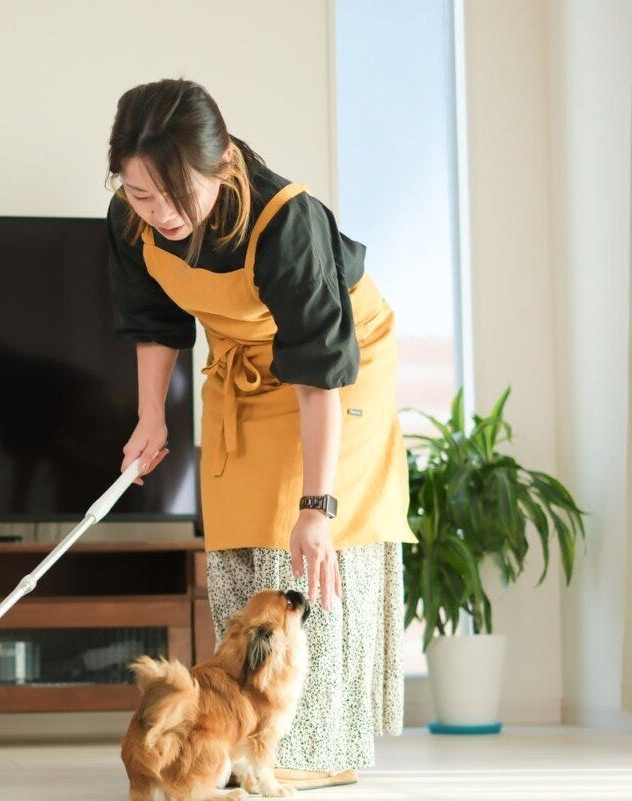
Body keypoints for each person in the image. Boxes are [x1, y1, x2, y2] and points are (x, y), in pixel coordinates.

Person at [105, 78, 416, 789]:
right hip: (245, 365)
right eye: (138, 193)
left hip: (339, 367)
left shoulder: (286, 221)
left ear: (221, 168)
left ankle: (314, 748)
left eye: (175, 195)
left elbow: (318, 373)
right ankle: (240, 743)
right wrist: (151, 417)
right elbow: (155, 324)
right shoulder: (132, 219)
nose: (160, 214)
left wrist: (318, 505)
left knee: (303, 547)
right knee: (241, 535)